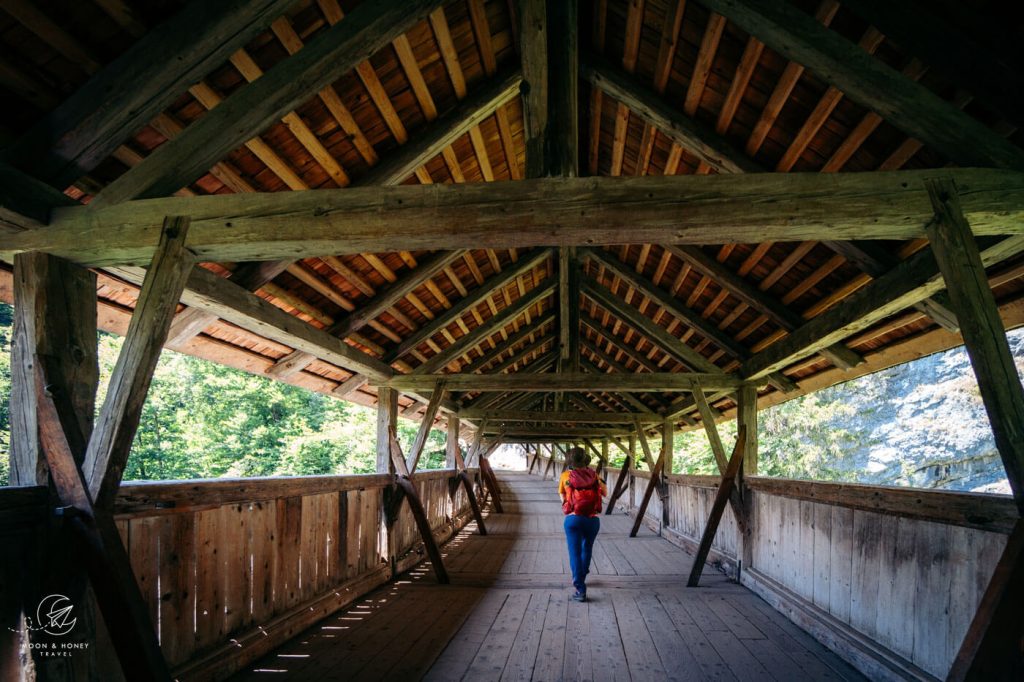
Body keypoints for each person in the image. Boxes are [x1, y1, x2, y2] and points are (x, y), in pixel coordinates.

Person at [558, 447, 607, 602]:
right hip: (593, 519)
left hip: (573, 519)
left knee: (575, 553)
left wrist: (568, 504)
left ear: (570, 461)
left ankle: (580, 588)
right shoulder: (595, 476)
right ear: (585, 460)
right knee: (587, 548)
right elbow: (605, 493)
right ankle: (582, 575)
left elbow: (562, 494)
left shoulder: (566, 475)